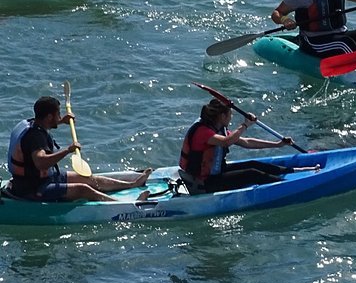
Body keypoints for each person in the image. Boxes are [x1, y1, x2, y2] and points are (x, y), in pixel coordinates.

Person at [6, 96, 150, 202]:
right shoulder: (35, 137)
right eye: (58, 114)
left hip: (45, 177)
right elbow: (40, 162)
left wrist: (61, 121)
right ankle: (127, 205)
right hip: (32, 188)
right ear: (49, 116)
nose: (60, 116)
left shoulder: (31, 123)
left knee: (88, 178)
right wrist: (68, 150)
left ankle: (133, 184)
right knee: (83, 189)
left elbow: (42, 127)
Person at [179, 99, 314, 193]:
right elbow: (227, 141)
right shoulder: (203, 132)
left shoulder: (218, 129)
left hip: (218, 172)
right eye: (230, 115)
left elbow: (247, 142)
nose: (231, 118)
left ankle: (294, 171)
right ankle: (287, 187)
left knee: (254, 164)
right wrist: (245, 125)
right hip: (205, 182)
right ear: (222, 116)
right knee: (251, 173)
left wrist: (278, 144)